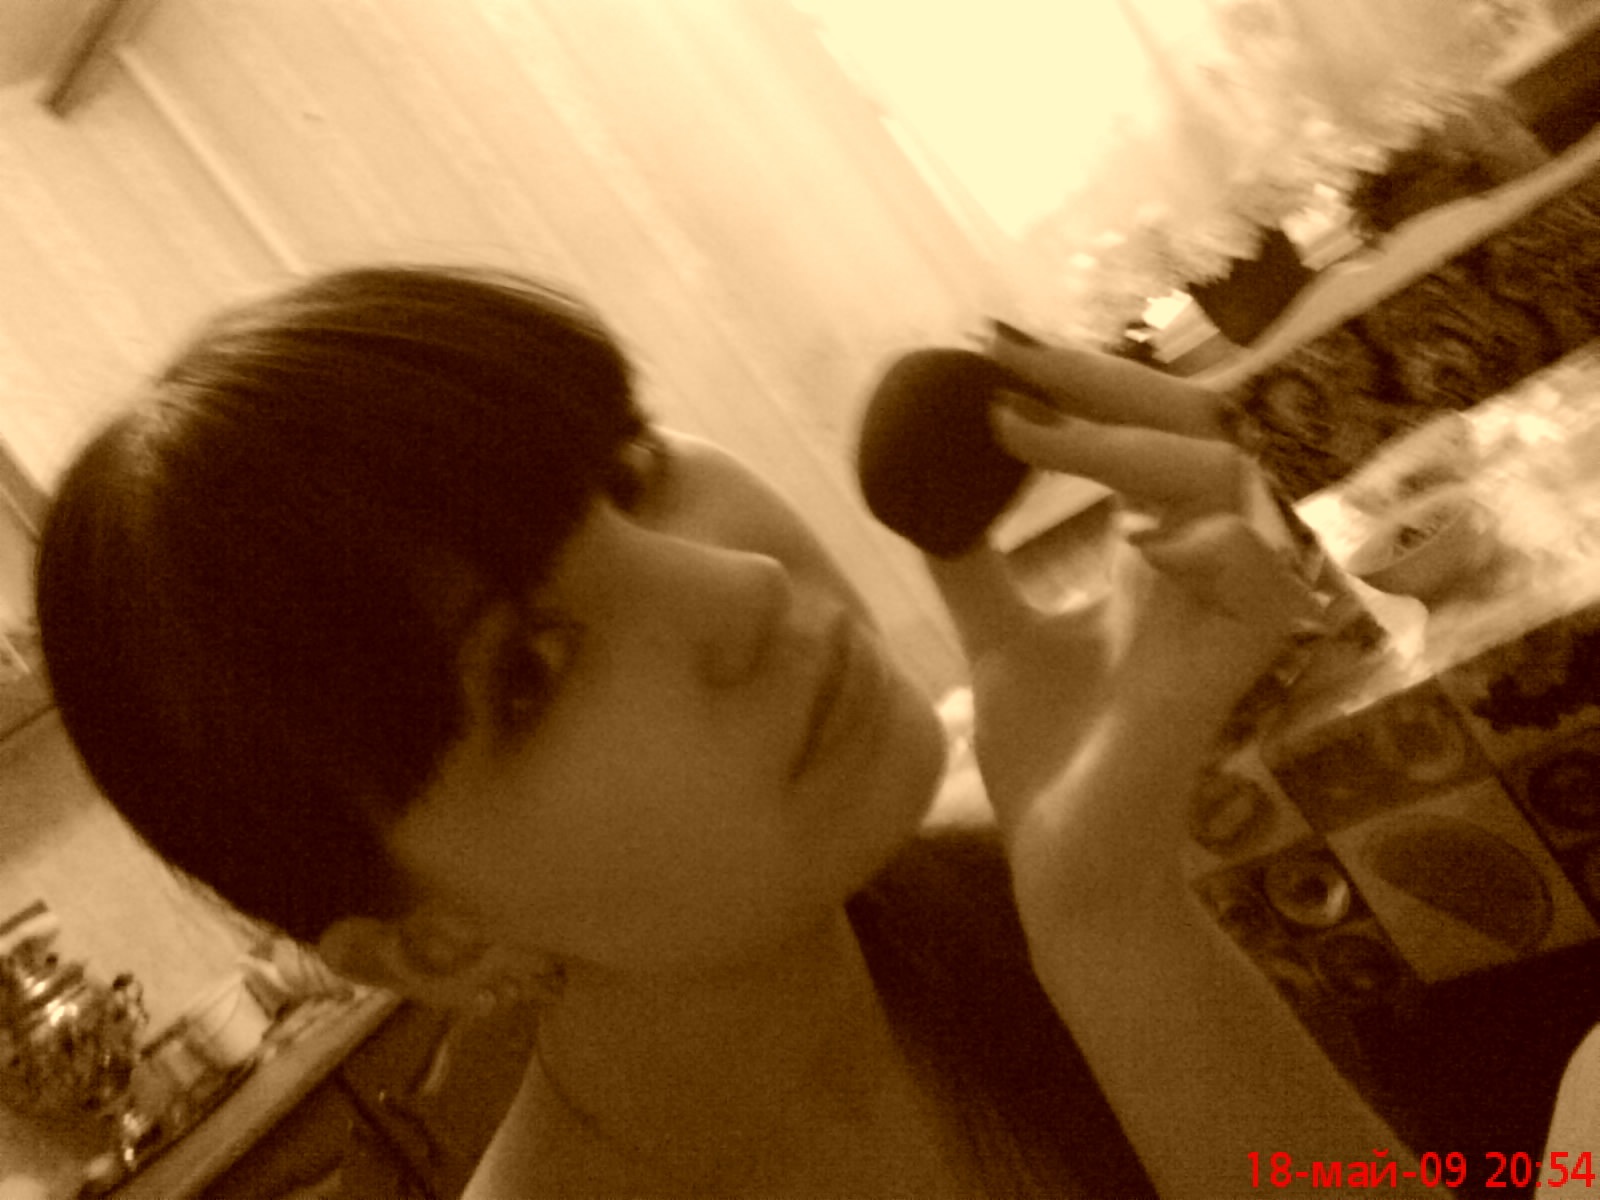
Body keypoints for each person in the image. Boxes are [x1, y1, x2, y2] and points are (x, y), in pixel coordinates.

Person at [36, 265, 1429, 1198]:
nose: (743, 586)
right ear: (438, 944)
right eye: (530, 669)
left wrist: (1117, 919)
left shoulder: (1020, 914)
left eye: (633, 474)